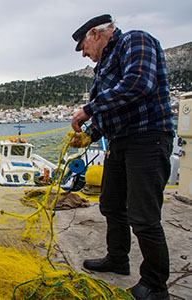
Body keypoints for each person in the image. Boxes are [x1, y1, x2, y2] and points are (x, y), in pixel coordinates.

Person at [70, 14, 174, 300]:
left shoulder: (135, 41)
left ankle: (155, 285)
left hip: (148, 139)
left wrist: (88, 109)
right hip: (121, 143)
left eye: (84, 48)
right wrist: (89, 134)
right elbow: (112, 109)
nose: (85, 56)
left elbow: (139, 84)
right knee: (112, 205)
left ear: (94, 33)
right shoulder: (103, 66)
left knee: (144, 217)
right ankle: (117, 258)